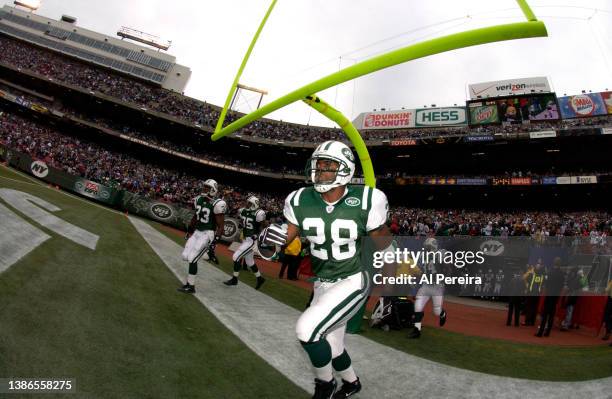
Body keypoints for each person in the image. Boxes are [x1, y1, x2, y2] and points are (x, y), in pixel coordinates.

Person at [259, 140, 390, 399]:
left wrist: (394, 262)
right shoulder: (299, 199)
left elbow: (382, 239)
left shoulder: (366, 199)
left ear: (345, 170)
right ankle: (352, 383)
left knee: (307, 329)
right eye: (318, 165)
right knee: (333, 345)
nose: (320, 171)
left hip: (353, 278)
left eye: (328, 165)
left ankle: (325, 385)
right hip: (323, 282)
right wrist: (270, 240)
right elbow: (287, 236)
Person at [178, 179, 226, 294]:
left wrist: (215, 242)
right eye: (204, 187)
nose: (204, 189)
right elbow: (196, 216)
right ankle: (208, 255)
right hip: (197, 232)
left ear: (213, 190)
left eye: (207, 187)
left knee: (192, 258)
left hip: (207, 233)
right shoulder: (198, 199)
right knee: (185, 256)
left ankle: (191, 286)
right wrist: (190, 228)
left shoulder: (217, 203)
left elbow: (221, 227)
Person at [407, 237, 448, 339]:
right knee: (418, 306)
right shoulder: (423, 256)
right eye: (426, 247)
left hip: (437, 287)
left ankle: (442, 314)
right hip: (426, 285)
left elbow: (447, 265)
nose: (426, 248)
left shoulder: (441, 254)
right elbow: (420, 270)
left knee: (436, 311)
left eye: (428, 247)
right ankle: (417, 330)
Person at [224, 195, 266, 290]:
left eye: (249, 203)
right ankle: (260, 279)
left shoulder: (259, 213)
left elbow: (263, 227)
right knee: (249, 262)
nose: (247, 204)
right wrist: (241, 223)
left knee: (236, 257)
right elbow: (242, 221)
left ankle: (235, 279)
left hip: (251, 240)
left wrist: (258, 235)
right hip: (246, 239)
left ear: (254, 204)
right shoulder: (243, 211)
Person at [536, 258, 565, 337]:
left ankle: (540, 332)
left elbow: (546, 283)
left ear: (554, 263)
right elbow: (562, 286)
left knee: (545, 314)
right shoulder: (562, 274)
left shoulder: (550, 272)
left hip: (549, 295)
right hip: (556, 296)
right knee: (551, 315)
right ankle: (548, 332)